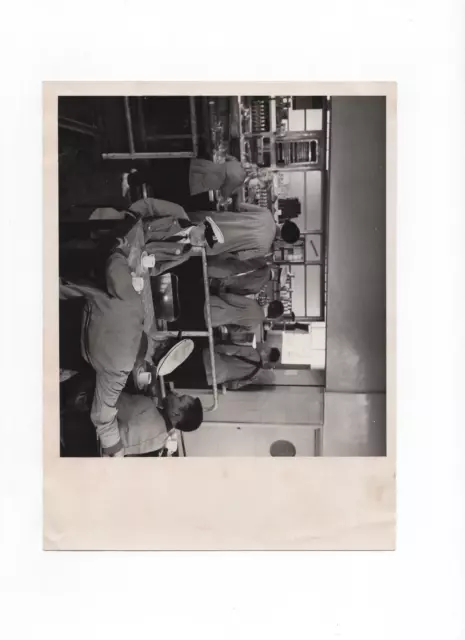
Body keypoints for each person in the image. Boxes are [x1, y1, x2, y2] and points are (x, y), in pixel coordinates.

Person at [59, 247, 201, 457]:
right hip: (66, 346)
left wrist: (119, 250)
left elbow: (113, 264)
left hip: (68, 309)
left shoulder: (136, 309)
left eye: (180, 398)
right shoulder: (121, 373)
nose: (175, 394)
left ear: (160, 338)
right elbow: (105, 415)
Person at [124, 156, 249, 211]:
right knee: (165, 183)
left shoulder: (237, 163)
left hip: (200, 166)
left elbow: (227, 158)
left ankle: (137, 175)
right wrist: (228, 197)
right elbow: (224, 193)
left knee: (165, 174)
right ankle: (130, 179)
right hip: (199, 182)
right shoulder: (239, 179)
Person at [189, 202, 301, 261]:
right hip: (214, 244)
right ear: (282, 239)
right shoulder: (264, 248)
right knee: (180, 247)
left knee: (181, 220)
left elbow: (241, 205)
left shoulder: (266, 214)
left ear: (284, 222)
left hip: (215, 220)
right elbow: (239, 256)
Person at [166, 340, 281, 391]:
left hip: (210, 361)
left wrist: (212, 348)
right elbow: (234, 385)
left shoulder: (253, 353)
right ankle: (156, 376)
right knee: (178, 376)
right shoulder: (255, 376)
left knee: (178, 361)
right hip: (214, 378)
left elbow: (229, 349)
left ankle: (156, 361)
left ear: (267, 352)